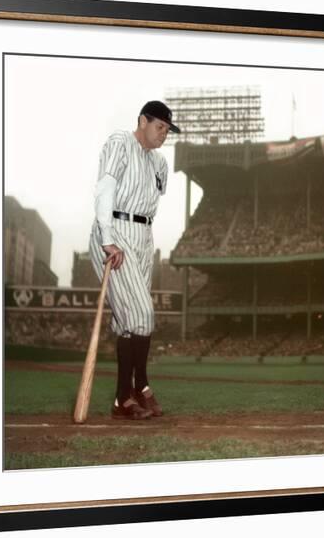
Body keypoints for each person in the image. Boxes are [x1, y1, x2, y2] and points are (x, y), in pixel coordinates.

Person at [89, 101, 181, 420]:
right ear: (143, 120)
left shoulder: (159, 163)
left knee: (129, 326)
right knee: (142, 314)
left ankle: (121, 401)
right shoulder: (120, 142)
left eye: (168, 131)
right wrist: (107, 239)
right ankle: (140, 385)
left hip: (144, 236)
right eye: (160, 127)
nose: (164, 134)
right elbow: (106, 188)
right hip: (117, 231)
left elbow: (153, 194)